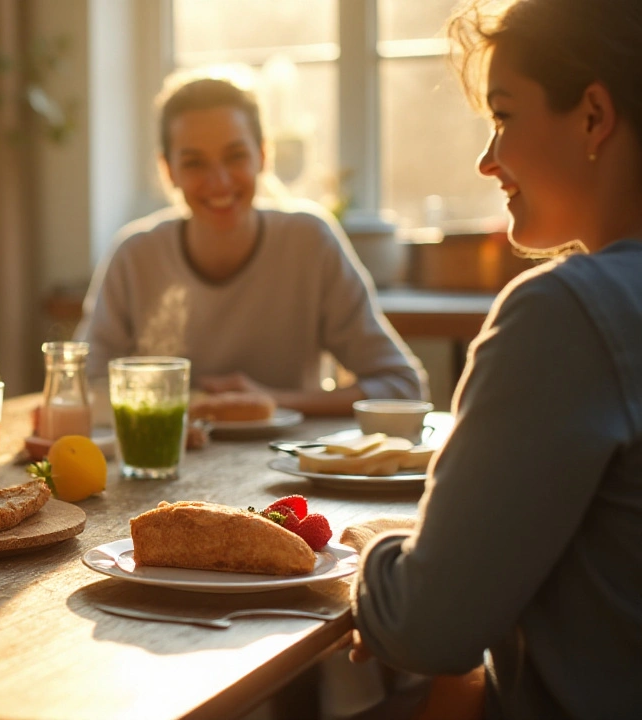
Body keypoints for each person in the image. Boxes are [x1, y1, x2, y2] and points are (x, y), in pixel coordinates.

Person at [350, 0, 642, 717]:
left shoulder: (567, 311)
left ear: (594, 116)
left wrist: (372, 552)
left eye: (505, 116)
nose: (488, 159)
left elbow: (426, 627)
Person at [76, 74, 425, 415]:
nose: (219, 181)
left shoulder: (309, 242)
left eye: (235, 156)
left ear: (263, 155)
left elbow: (403, 386)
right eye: (194, 163)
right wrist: (186, 411)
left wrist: (273, 401)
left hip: (290, 467)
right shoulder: (134, 255)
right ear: (168, 170)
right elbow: (78, 388)